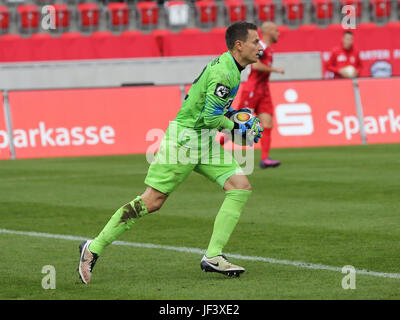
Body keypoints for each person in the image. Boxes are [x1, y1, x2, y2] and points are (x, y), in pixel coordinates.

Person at [77, 22, 264, 284]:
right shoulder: (225, 73)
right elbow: (210, 117)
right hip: (185, 140)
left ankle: (213, 256)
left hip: (203, 138)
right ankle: (93, 248)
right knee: (152, 201)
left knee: (240, 187)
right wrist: (237, 127)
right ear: (239, 45)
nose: (261, 46)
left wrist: (231, 117)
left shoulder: (230, 66)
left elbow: (211, 112)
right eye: (256, 41)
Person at [236, 22, 284, 169]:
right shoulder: (260, 47)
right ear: (268, 32)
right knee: (238, 124)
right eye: (276, 30)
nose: (278, 33)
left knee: (268, 123)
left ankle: (265, 159)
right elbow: (255, 66)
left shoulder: (269, 49)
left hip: (264, 90)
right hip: (253, 89)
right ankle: (207, 149)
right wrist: (275, 70)